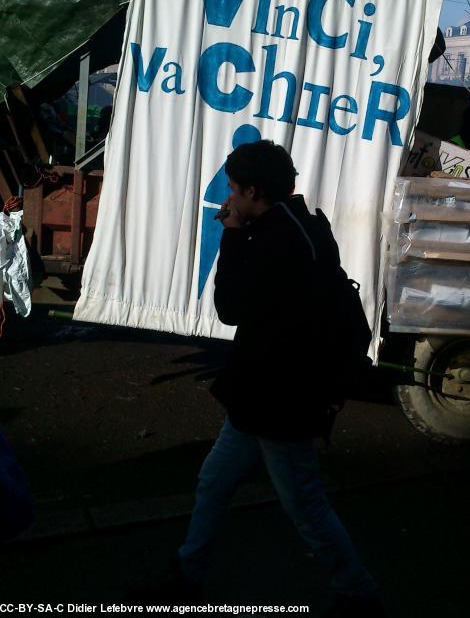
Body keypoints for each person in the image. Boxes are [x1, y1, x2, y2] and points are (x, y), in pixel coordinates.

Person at [139, 140, 383, 617]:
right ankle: (188, 574)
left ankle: (358, 592)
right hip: (264, 394)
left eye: (233, 189)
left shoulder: (273, 240)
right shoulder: (301, 224)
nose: (228, 199)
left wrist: (230, 235)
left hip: (279, 399)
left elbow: (230, 308)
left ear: (253, 191)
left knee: (305, 503)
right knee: (214, 481)